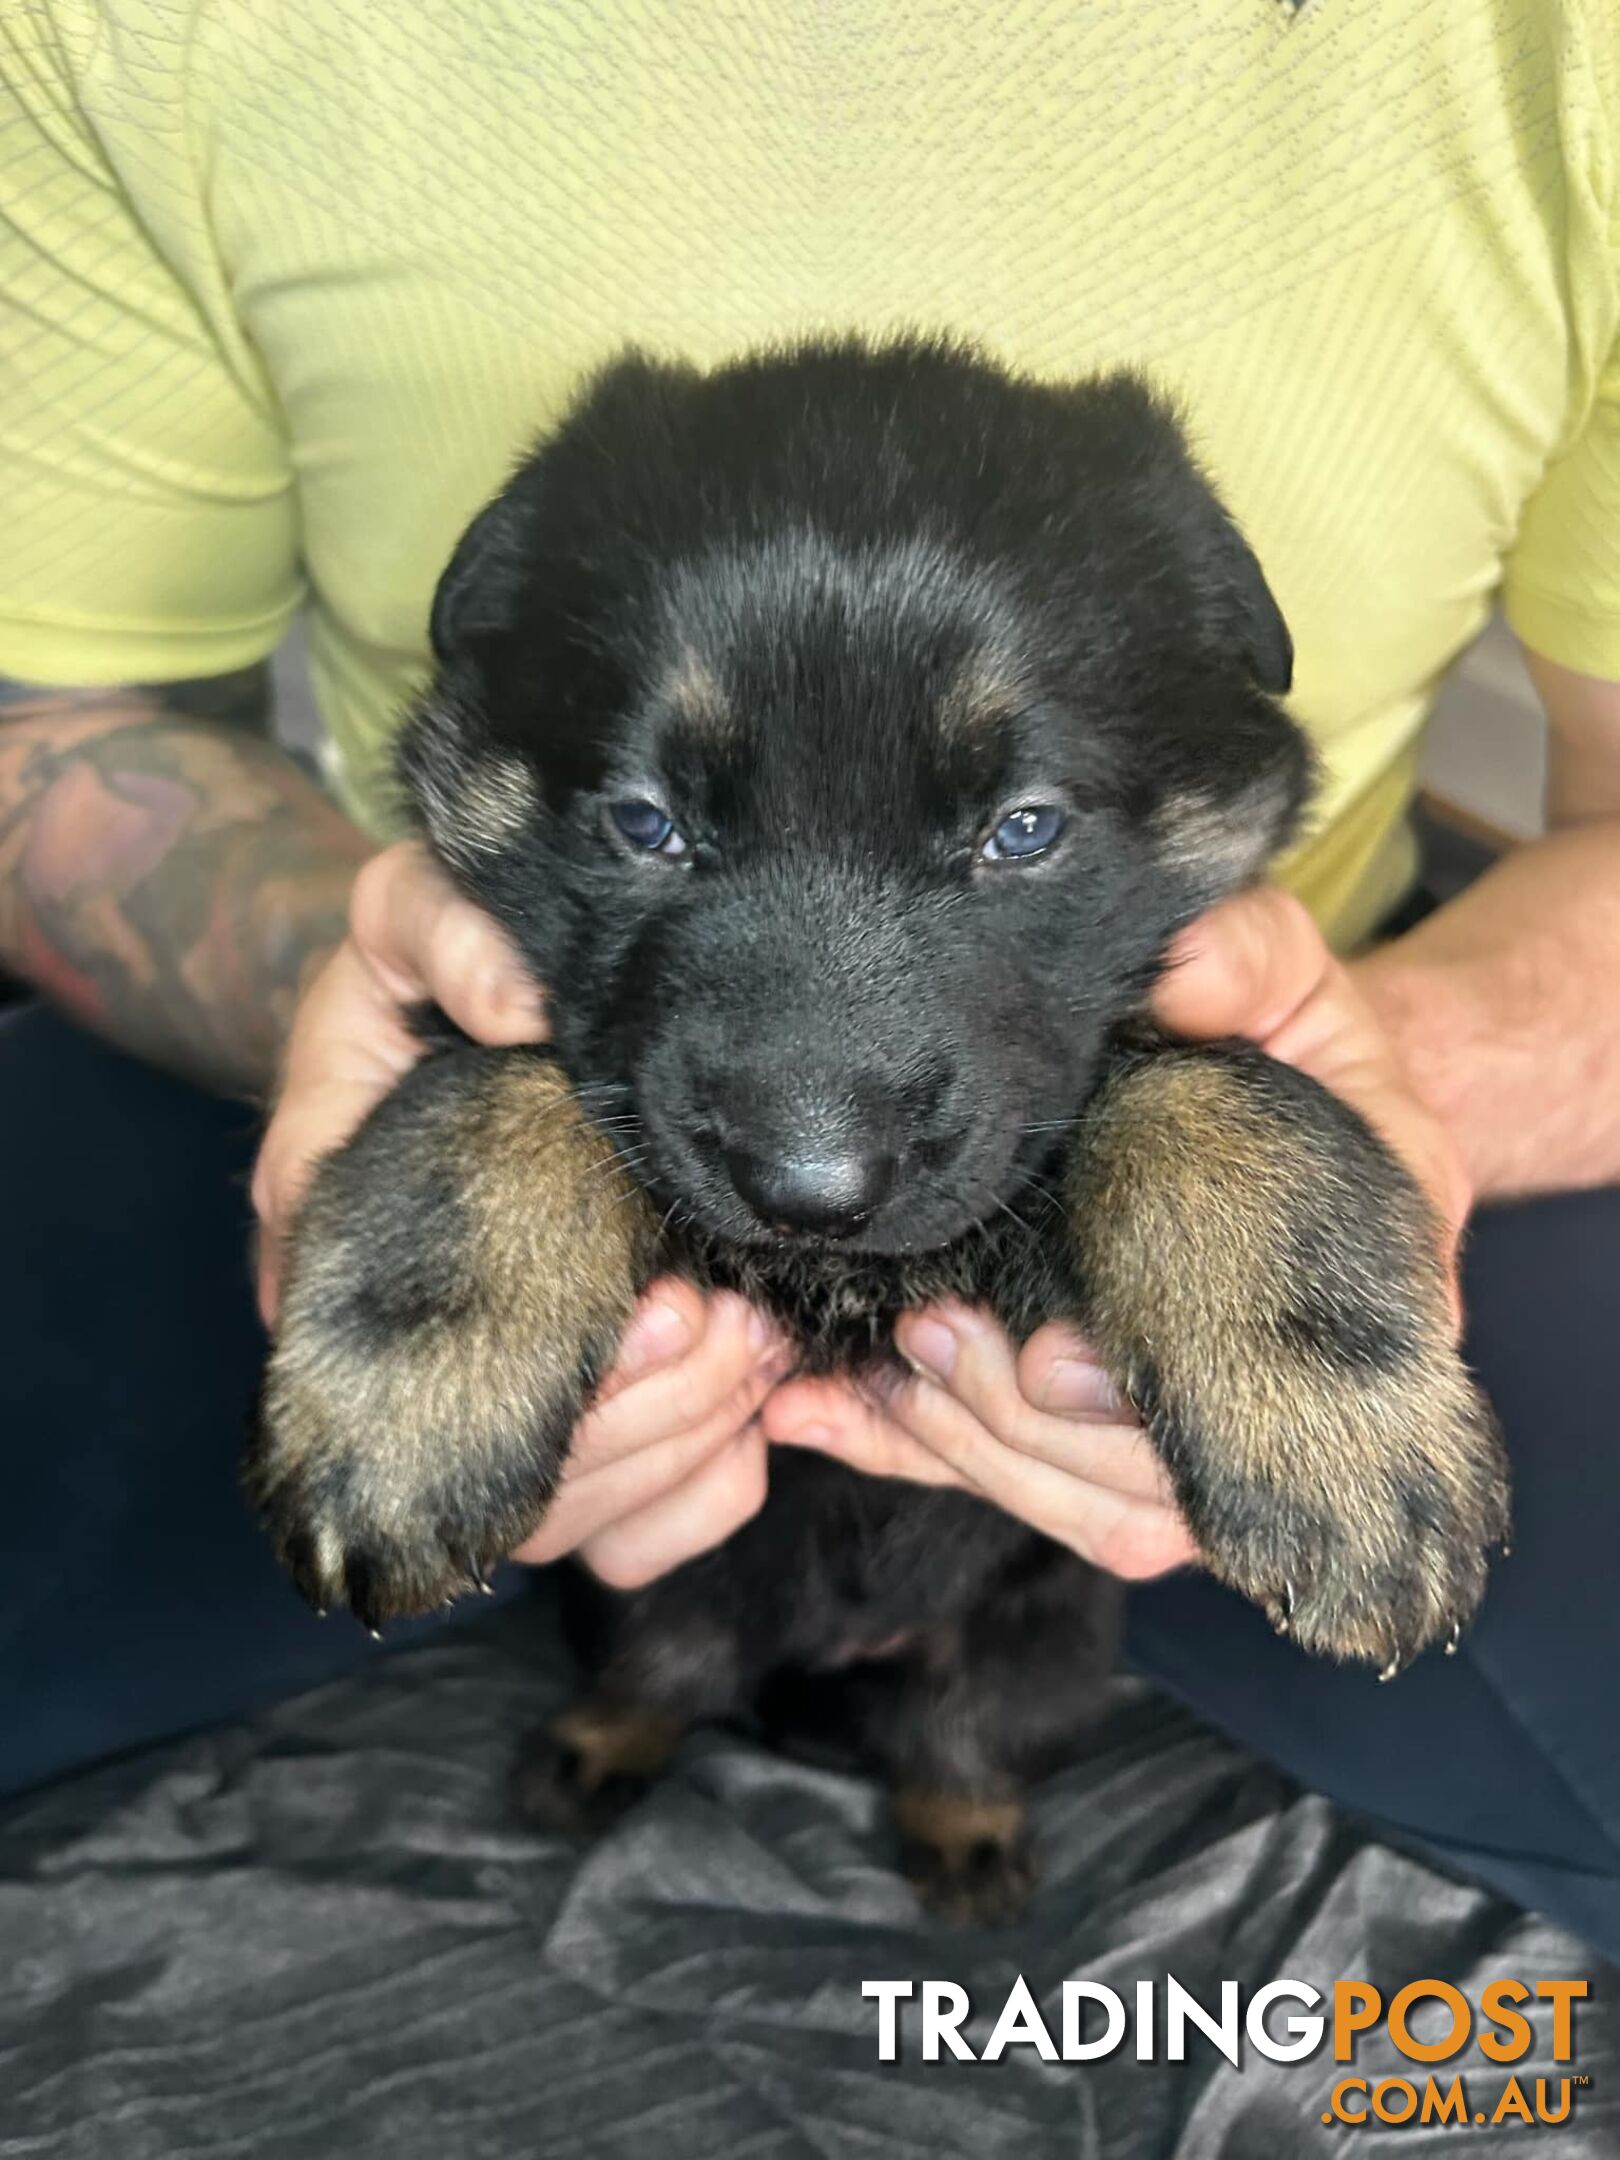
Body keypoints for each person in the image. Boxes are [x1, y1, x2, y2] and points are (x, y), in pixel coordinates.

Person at [3, 1, 1617, 1952]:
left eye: (1018, 830)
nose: (819, 1150)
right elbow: (45, 727)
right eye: (651, 823)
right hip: (353, 1065)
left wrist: (1367, 1102)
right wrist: (349, 1011)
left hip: (1333, 1083)